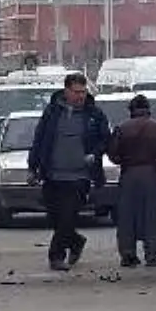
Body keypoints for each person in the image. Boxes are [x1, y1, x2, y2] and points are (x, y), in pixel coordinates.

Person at [28, 72, 110, 271]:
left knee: (67, 216)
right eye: (76, 92)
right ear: (66, 91)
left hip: (80, 176)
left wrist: (95, 153)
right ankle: (75, 241)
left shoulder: (94, 114)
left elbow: (106, 139)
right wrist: (33, 167)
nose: (80, 96)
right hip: (52, 174)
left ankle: (56, 256)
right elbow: (40, 140)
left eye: (83, 92)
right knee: (55, 217)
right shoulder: (52, 112)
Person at [108, 94, 156, 267]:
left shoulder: (122, 128)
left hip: (129, 174)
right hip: (153, 174)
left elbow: (113, 153)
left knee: (127, 216)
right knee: (153, 216)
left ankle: (128, 253)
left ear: (131, 110)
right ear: (148, 109)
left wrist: (124, 161)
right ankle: (153, 254)